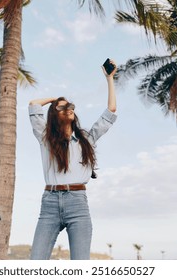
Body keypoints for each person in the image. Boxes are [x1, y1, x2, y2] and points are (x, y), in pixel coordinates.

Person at [28, 60, 117, 260]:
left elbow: (110, 111)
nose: (68, 108)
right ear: (53, 115)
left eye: (70, 106)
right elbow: (33, 105)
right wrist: (55, 100)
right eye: (62, 108)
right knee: (36, 261)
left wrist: (109, 79)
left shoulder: (86, 138)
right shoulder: (45, 138)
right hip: (49, 203)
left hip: (77, 203)